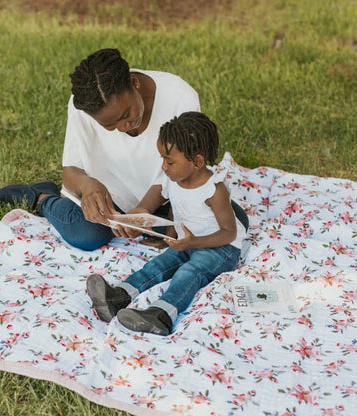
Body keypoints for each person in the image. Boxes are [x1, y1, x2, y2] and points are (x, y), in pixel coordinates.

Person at [0, 48, 201, 250]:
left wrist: (147, 212)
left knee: (208, 224)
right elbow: (71, 171)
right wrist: (88, 185)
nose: (123, 127)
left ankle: (155, 224)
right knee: (87, 235)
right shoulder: (84, 106)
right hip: (111, 200)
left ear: (134, 82)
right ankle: (41, 196)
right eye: (109, 126)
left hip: (167, 195)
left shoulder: (180, 98)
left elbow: (188, 171)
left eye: (126, 114)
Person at [86, 112, 248, 336]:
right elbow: (176, 207)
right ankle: (118, 296)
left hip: (220, 248)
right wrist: (169, 236)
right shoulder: (173, 179)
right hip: (187, 242)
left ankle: (161, 315)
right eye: (162, 159)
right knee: (159, 265)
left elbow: (229, 233)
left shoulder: (214, 190)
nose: (163, 166)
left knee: (189, 272)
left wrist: (194, 242)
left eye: (169, 161)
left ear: (198, 162)